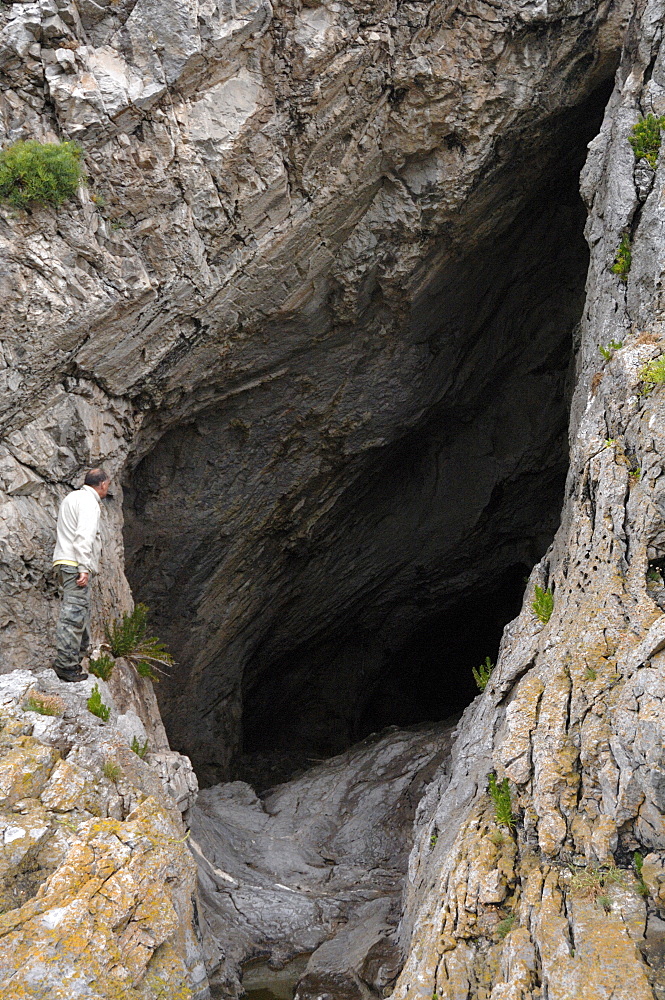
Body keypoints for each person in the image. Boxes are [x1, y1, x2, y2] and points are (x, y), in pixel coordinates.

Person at [52, 468, 110, 681]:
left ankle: (75, 659)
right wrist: (83, 567)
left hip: (63, 562)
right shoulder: (89, 502)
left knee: (79, 613)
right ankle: (66, 667)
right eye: (108, 485)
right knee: (73, 616)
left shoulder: (72, 497)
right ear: (103, 484)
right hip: (74, 564)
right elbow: (83, 536)